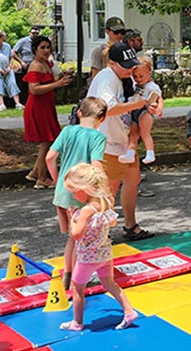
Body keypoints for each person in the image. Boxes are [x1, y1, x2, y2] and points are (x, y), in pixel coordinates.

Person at [58, 163, 139, 332]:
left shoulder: (87, 211)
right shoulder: (105, 202)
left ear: (85, 188)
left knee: (77, 287)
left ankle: (77, 322)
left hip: (88, 257)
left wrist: (72, 218)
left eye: (74, 190)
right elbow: (113, 221)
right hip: (104, 253)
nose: (72, 195)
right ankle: (129, 311)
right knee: (110, 283)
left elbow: (76, 234)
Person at [85, 40, 152, 241]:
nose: (131, 69)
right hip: (108, 143)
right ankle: (99, 233)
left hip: (123, 141)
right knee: (108, 190)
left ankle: (130, 225)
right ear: (112, 63)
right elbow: (109, 107)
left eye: (132, 64)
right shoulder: (107, 78)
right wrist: (137, 105)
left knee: (133, 180)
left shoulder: (124, 77)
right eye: (126, 66)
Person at [45, 96, 107, 291]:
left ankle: (68, 275)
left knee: (71, 238)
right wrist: (102, 190)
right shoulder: (97, 137)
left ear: (79, 113)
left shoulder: (68, 131)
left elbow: (49, 157)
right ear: (102, 119)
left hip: (63, 192)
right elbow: (96, 165)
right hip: (81, 192)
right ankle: (75, 279)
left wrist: (58, 180)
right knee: (77, 238)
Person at [23, 35, 74, 188]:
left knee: (49, 139)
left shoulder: (45, 63)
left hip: (46, 106)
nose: (46, 50)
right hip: (38, 107)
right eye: (42, 48)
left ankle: (34, 173)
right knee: (48, 140)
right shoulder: (36, 65)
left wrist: (63, 77)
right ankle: (41, 178)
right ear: (35, 50)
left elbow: (49, 82)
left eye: (48, 47)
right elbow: (34, 89)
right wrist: (57, 84)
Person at [118, 59, 162, 165]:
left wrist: (160, 108)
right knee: (133, 134)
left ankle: (150, 153)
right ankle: (130, 154)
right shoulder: (135, 85)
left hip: (145, 112)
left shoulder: (152, 86)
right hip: (134, 111)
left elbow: (159, 98)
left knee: (144, 133)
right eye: (135, 76)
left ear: (149, 73)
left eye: (141, 76)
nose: (138, 79)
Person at [0, 30, 24, 111]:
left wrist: (9, 67)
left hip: (7, 69)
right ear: (0, 37)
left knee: (12, 83)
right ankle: (2, 104)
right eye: (4, 35)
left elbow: (10, 58)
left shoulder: (7, 46)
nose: (6, 37)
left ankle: (17, 103)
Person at [13, 25, 40, 104]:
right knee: (25, 85)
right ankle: (26, 101)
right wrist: (21, 62)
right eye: (33, 33)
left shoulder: (40, 42)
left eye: (36, 33)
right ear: (29, 33)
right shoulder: (23, 41)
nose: (34, 35)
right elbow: (13, 52)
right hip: (27, 65)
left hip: (37, 66)